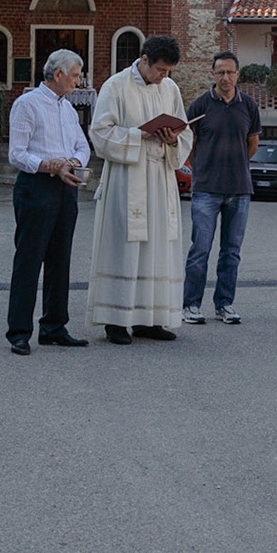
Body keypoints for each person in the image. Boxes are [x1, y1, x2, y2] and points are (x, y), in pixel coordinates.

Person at [88, 35, 193, 345]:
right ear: (144, 60)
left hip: (160, 177)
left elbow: (184, 132)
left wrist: (173, 139)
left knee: (158, 246)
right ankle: (116, 319)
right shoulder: (115, 86)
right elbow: (100, 133)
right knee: (124, 247)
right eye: (160, 69)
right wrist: (140, 135)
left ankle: (150, 318)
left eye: (168, 71)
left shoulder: (170, 89)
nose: (164, 76)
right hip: (127, 177)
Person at [5, 49, 92, 354]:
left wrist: (71, 161)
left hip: (66, 188)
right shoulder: (27, 105)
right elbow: (16, 153)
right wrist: (48, 165)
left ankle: (54, 326)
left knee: (60, 259)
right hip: (36, 187)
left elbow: (83, 145)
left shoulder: (67, 109)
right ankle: (19, 331)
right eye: (75, 75)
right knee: (29, 259)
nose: (78, 81)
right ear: (58, 75)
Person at [183, 51, 262, 326]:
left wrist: (235, 166)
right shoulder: (199, 105)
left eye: (230, 72)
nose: (225, 77)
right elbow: (188, 147)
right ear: (212, 74)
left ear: (238, 74)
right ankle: (191, 305)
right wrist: (202, 169)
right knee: (200, 249)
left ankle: (224, 304)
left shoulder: (249, 105)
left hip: (240, 189)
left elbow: (252, 145)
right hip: (206, 189)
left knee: (231, 251)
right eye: (220, 72)